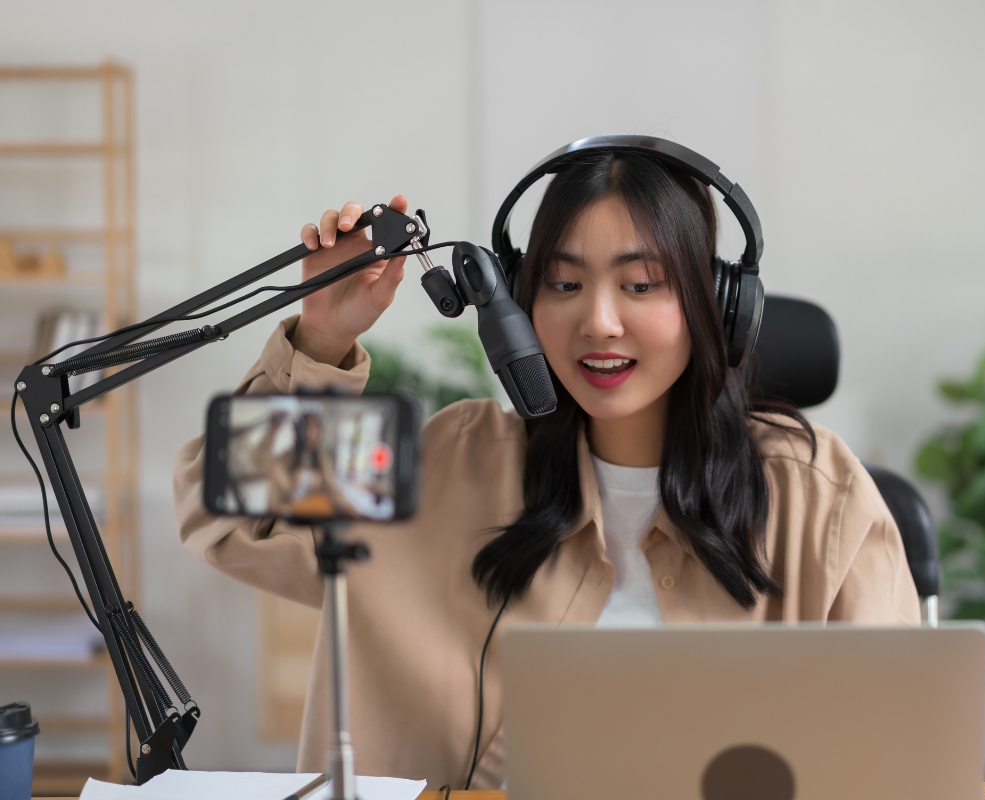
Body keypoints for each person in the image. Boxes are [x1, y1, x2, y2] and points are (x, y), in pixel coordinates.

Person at [172, 148, 920, 789]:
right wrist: (321, 336)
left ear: (713, 305)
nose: (597, 319)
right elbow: (234, 520)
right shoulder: (451, 463)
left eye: (640, 283)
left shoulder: (813, 492)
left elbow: (906, 755)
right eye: (564, 284)